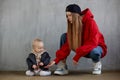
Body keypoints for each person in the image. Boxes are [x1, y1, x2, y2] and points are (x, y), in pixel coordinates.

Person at [45, 4, 107, 75]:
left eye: (70, 15)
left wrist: (77, 56)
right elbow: (67, 44)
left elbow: (93, 42)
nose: (68, 18)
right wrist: (57, 60)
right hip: (82, 47)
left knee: (94, 51)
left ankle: (97, 64)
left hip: (96, 47)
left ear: (76, 15)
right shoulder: (73, 24)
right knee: (64, 36)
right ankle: (62, 66)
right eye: (67, 16)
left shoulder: (91, 22)